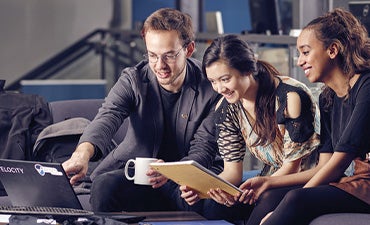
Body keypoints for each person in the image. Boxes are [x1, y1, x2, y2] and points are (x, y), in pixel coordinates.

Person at [62, 8, 223, 213]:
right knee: (104, 186)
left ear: (189, 49)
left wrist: (173, 173)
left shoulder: (211, 87)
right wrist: (81, 155)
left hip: (188, 174)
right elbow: (107, 117)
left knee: (207, 204)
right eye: (152, 56)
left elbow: (204, 148)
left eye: (169, 56)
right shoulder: (134, 79)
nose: (159, 65)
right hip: (138, 174)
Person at [242, 8, 370, 225]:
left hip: (364, 184)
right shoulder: (327, 98)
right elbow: (323, 166)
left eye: (306, 52)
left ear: (332, 50)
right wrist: (269, 182)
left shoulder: (366, 86)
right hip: (354, 180)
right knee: (270, 196)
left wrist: (286, 206)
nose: (300, 61)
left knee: (296, 198)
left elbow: (339, 163)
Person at [180, 34, 320, 221]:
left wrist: (260, 186)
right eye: (213, 82)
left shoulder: (290, 97)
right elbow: (232, 172)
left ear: (247, 70)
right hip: (270, 177)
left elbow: (294, 168)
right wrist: (206, 190)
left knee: (265, 200)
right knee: (213, 206)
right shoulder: (226, 108)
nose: (219, 88)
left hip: (309, 177)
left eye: (225, 79)